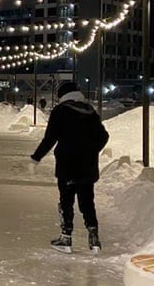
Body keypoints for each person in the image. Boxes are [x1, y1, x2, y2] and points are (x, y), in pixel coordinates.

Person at [31, 81, 109, 253]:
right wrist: (91, 150)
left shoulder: (60, 111)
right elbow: (103, 136)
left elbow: (50, 138)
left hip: (67, 165)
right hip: (88, 166)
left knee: (66, 201)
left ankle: (66, 238)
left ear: (62, 96)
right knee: (87, 202)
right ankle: (94, 237)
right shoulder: (90, 111)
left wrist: (36, 157)